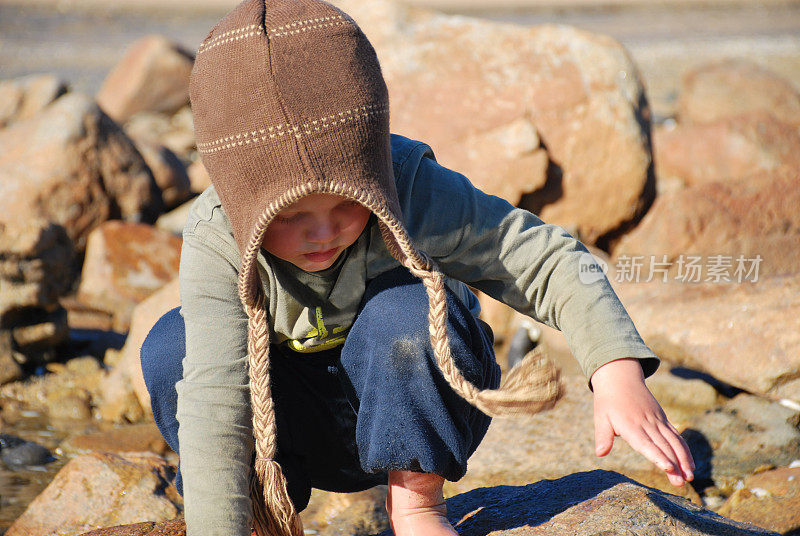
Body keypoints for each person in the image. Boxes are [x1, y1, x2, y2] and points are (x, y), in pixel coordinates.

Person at [140, 0, 695, 535]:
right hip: (292, 429)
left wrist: (616, 371)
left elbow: (546, 257)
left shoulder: (408, 188)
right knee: (171, 347)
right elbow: (216, 398)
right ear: (239, 202)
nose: (323, 232)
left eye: (346, 203)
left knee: (399, 314)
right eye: (289, 218)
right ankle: (268, 519)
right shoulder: (218, 235)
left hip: (423, 398)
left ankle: (417, 512)